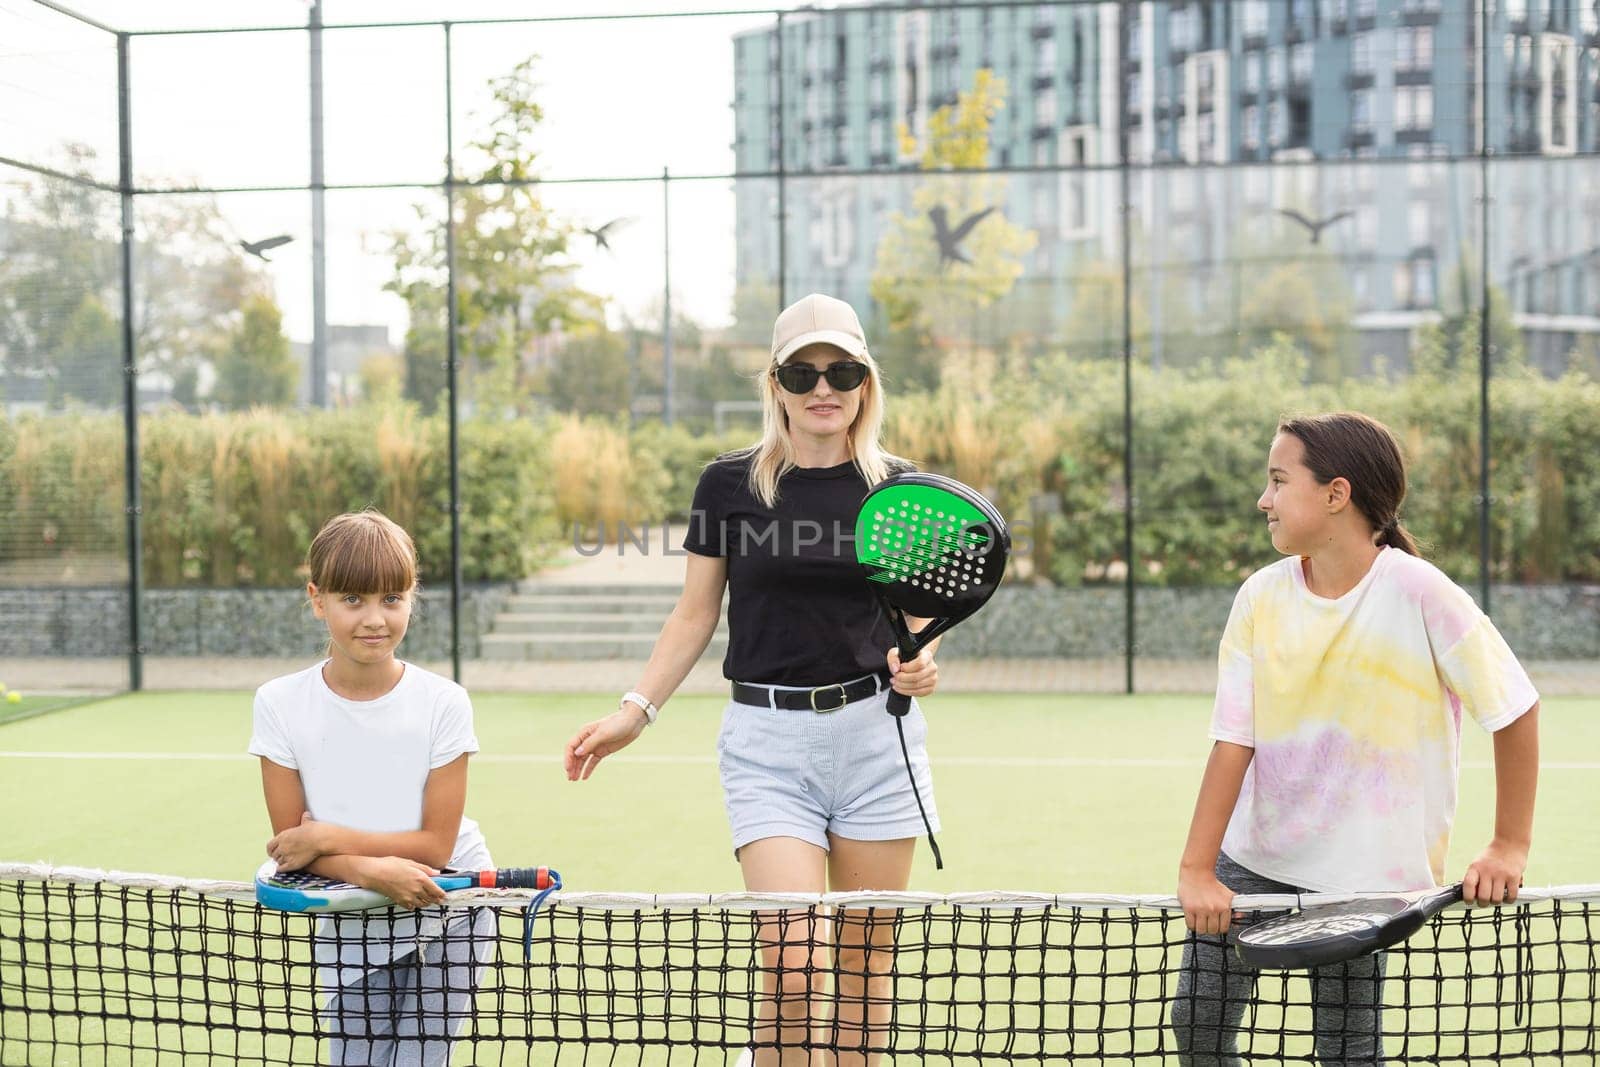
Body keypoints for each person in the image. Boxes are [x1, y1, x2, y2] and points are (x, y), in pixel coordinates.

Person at [562, 292, 943, 1067]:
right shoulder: (730, 485)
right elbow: (694, 613)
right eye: (803, 372)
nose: (822, 387)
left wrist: (923, 663)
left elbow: (911, 619)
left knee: (866, 973)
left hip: (878, 739)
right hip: (767, 743)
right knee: (794, 966)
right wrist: (637, 709)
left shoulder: (897, 487)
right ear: (775, 384)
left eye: (841, 369)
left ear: (866, 380)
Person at [1171, 412, 1541, 1066]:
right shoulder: (1259, 597)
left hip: (1361, 883)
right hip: (1251, 862)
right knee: (1197, 1021)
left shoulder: (1423, 593)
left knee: (1348, 1051)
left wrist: (1509, 844)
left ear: (1335, 494)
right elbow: (1234, 738)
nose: (1265, 499)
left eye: (1279, 481)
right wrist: (1198, 868)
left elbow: (1514, 708)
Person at [248, 509, 495, 1067]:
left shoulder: (445, 702)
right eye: (352, 599)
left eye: (391, 598)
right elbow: (291, 847)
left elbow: (435, 847)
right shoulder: (279, 703)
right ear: (318, 599)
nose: (374, 618)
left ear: (412, 598)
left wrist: (328, 836)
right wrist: (366, 870)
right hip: (347, 910)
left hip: (449, 906)